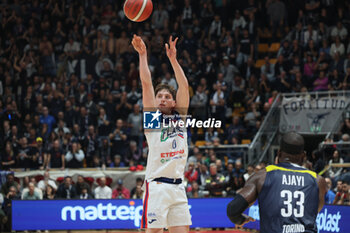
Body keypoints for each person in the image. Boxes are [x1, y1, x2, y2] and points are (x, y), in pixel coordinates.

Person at [131, 34, 192, 233]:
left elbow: (183, 86)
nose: (163, 99)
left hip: (178, 187)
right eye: (160, 97)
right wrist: (143, 55)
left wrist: (173, 59)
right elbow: (146, 84)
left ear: (174, 103)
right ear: (156, 102)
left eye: (167, 97)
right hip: (157, 186)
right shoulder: (152, 119)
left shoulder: (180, 117)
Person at [227, 132, 327, 233]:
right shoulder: (318, 180)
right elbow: (314, 211)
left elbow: (233, 210)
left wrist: (242, 220)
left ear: (278, 153)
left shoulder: (261, 176)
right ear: (303, 156)